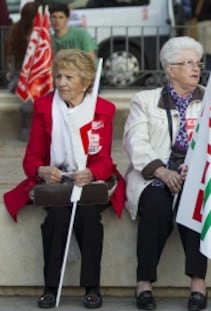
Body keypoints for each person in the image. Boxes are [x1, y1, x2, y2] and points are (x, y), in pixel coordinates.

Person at [3, 49, 126, 309]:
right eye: (58, 76)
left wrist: (92, 173)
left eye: (69, 77)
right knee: (57, 218)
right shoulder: (44, 107)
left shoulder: (102, 110)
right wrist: (43, 171)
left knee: (89, 217)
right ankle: (50, 287)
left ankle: (92, 286)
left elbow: (104, 159)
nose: (61, 83)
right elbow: (31, 159)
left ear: (86, 81)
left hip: (90, 184)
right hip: (56, 185)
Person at [123, 36, 211, 311]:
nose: (196, 69)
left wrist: (198, 166)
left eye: (198, 63)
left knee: (195, 204)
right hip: (156, 172)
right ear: (170, 69)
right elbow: (134, 142)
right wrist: (160, 170)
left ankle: (198, 283)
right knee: (155, 206)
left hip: (198, 172)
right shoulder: (144, 100)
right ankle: (144, 283)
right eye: (187, 64)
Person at [4, 1, 39, 141]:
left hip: (38, 77)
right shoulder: (16, 32)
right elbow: (12, 63)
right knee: (29, 90)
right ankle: (26, 129)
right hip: (18, 79)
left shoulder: (42, 32)